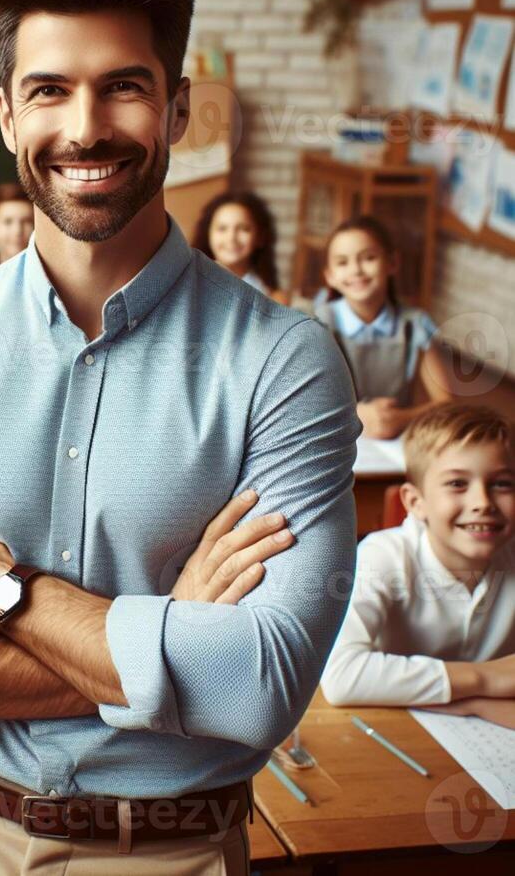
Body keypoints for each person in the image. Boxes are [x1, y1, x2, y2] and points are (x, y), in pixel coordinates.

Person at [0, 0, 359, 875]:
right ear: (5, 116)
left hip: (168, 848)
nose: (85, 127)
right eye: (49, 90)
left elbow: (264, 683)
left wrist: (3, 593)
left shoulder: (287, 363)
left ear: (177, 108)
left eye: (123, 85)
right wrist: (167, 634)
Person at [321, 404, 515, 729]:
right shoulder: (383, 557)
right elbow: (342, 676)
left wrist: (470, 702)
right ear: (415, 502)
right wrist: (485, 680)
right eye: (457, 484)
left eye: (502, 484)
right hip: (388, 731)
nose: (482, 502)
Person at [316, 215, 452, 438]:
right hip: (335, 442)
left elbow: (447, 404)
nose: (356, 270)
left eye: (368, 258)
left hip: (395, 446)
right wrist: (355, 414)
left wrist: (402, 418)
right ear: (329, 276)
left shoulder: (415, 324)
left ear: (392, 263)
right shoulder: (316, 326)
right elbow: (299, 404)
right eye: (342, 262)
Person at [192, 191, 286, 304]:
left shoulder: (274, 298)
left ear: (260, 237)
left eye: (243, 229)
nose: (231, 238)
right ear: (207, 234)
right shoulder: (191, 285)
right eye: (222, 228)